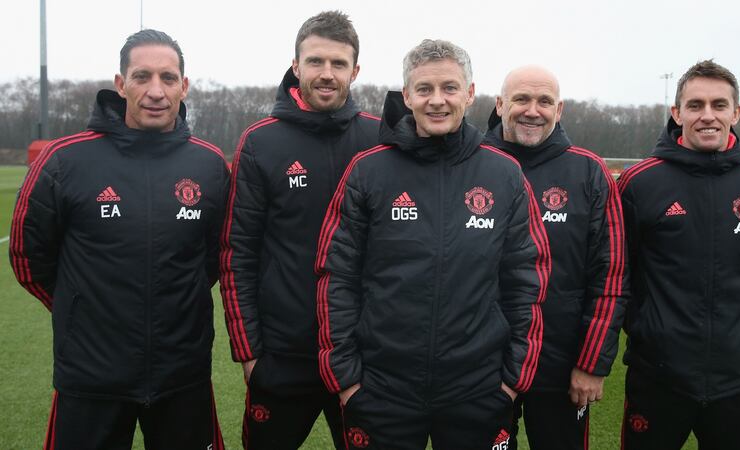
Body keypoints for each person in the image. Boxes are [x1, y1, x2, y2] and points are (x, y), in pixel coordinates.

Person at [315, 39, 551, 450]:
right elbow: (336, 278)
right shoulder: (368, 170)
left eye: (449, 88)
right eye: (424, 89)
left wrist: (512, 383)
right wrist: (347, 379)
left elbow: (527, 281)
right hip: (383, 389)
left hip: (477, 390)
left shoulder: (505, 174)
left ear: (471, 93)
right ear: (406, 95)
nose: (437, 101)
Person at [9, 29, 228, 450]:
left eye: (168, 78)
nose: (155, 91)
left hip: (182, 375)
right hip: (90, 379)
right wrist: (81, 305)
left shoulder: (209, 164)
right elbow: (27, 257)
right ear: (120, 83)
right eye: (142, 76)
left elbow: (215, 257)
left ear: (184, 86)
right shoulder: (64, 160)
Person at [219, 10, 379, 449]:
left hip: (363, 356)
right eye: (315, 62)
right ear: (296, 66)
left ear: (355, 70)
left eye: (339, 63)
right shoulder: (260, 141)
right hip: (283, 357)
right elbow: (237, 253)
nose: (326, 74)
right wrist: (249, 352)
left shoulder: (378, 138)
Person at [617, 60, 740, 450]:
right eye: (695, 105)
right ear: (677, 113)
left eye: (719, 105)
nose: (707, 115)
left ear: (736, 113)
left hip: (739, 380)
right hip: (658, 378)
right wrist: (651, 327)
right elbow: (619, 274)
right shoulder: (640, 182)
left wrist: (733, 323)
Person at [484, 65, 629, 450]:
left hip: (563, 368)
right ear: (500, 105)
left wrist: (592, 363)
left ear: (559, 109)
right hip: (482, 364)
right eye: (521, 99)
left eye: (545, 101)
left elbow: (611, 275)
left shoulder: (589, 171)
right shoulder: (472, 164)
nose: (533, 110)